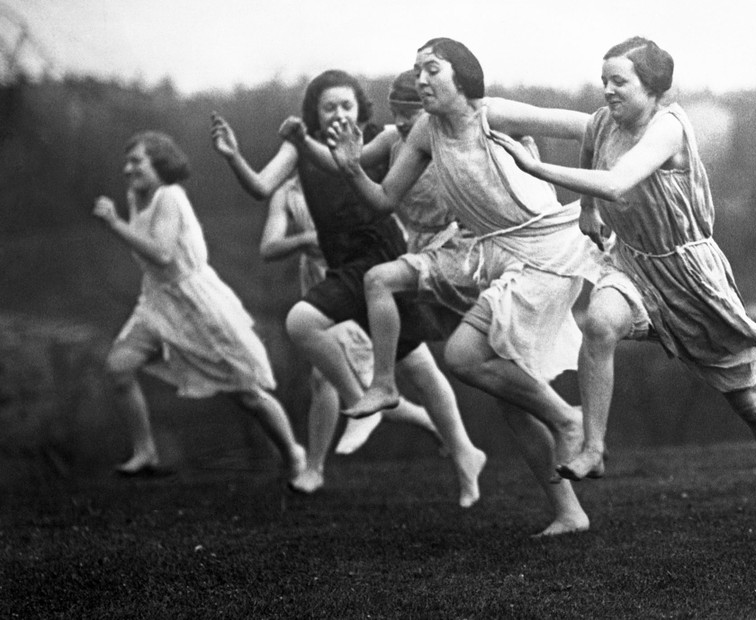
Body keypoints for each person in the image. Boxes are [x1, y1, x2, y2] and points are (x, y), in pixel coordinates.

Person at [492, 36, 756, 544]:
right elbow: (595, 169)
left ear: (654, 88)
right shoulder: (602, 123)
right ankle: (594, 446)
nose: (608, 91)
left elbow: (618, 182)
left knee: (750, 404)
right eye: (604, 81)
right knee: (598, 322)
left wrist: (537, 169)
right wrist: (585, 210)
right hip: (633, 264)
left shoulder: (668, 129)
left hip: (690, 278)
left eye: (619, 81)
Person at [327, 38, 611, 536]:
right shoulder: (423, 131)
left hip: (546, 250)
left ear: (462, 76)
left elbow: (591, 126)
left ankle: (569, 419)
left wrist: (590, 202)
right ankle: (569, 511)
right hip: (494, 255)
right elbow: (383, 200)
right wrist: (352, 167)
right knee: (510, 398)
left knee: (462, 356)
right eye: (416, 71)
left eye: (431, 69)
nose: (420, 79)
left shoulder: (493, 114)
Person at [210, 70, 485, 507]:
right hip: (343, 264)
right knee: (407, 360)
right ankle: (416, 428)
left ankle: (421, 433)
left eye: (346, 105)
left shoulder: (376, 139)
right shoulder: (300, 146)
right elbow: (262, 187)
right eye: (328, 107)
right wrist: (233, 156)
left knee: (392, 355)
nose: (338, 113)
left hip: (380, 256)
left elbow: (389, 169)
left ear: (360, 110)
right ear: (314, 115)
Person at [93, 130, 308, 488]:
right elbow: (154, 260)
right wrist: (121, 221)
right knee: (119, 368)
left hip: (197, 304)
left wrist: (115, 225)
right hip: (158, 301)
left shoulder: (171, 196)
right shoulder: (136, 196)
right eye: (126, 162)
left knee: (247, 394)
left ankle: (292, 455)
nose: (128, 169)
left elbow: (161, 253)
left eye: (137, 161)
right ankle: (146, 452)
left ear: (159, 163)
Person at [260, 174, 448, 491]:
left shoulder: (353, 173)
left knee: (413, 366)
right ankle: (315, 469)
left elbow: (390, 226)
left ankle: (438, 425)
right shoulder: (288, 192)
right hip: (325, 287)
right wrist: (304, 241)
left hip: (368, 282)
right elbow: (269, 247)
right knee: (327, 378)